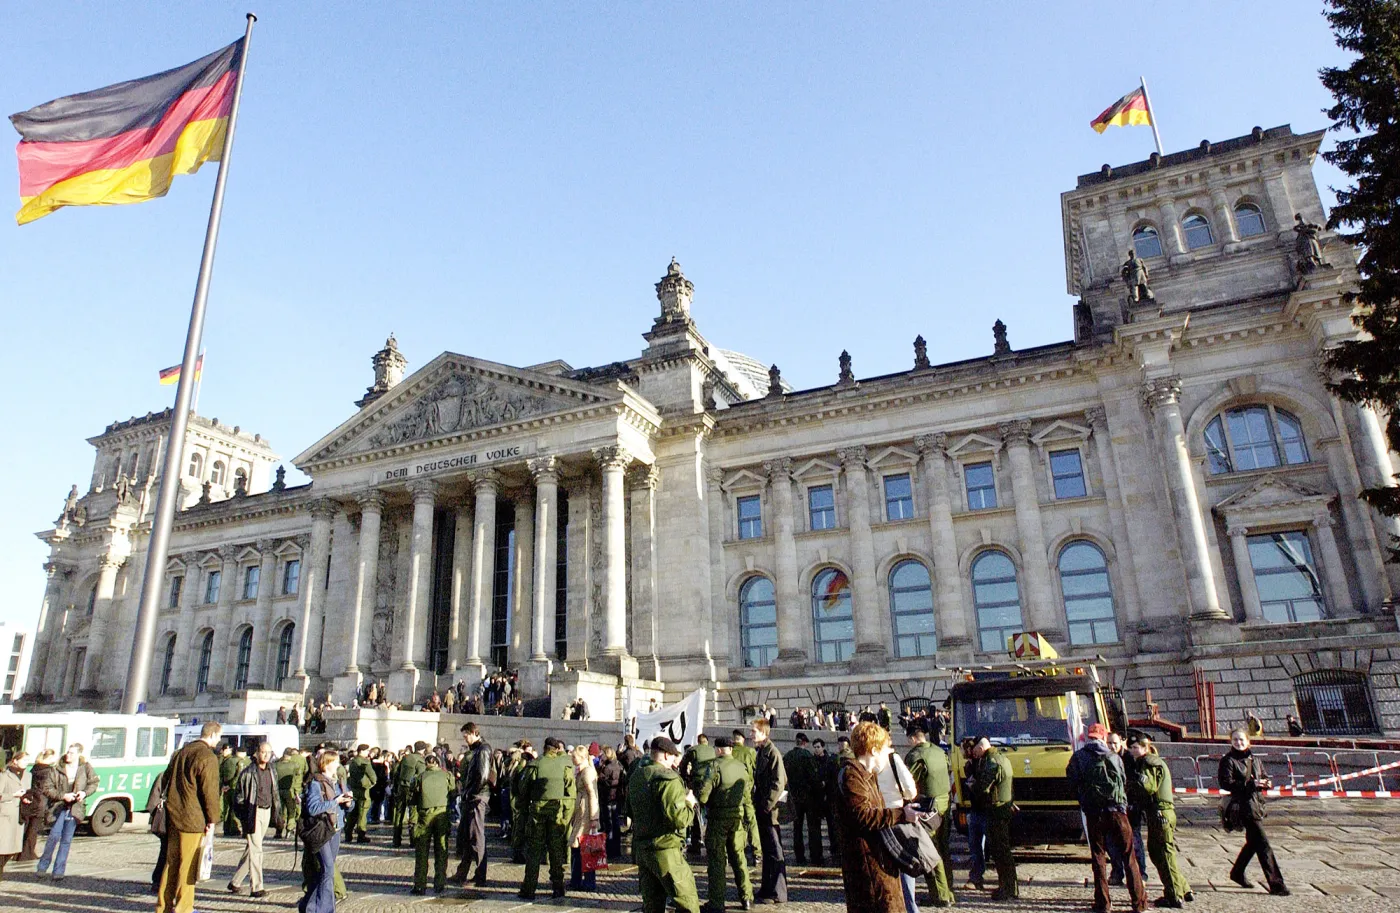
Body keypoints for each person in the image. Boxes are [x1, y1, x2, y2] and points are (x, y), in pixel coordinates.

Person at [837, 720, 923, 913]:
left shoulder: (868, 775)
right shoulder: (852, 775)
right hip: (868, 867)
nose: (889, 752)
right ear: (874, 750)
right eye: (886, 748)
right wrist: (902, 814)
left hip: (878, 860)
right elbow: (862, 816)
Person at [1067, 723, 1146, 913]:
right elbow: (1123, 781)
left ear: (1089, 737)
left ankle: (1103, 903)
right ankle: (1139, 903)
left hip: (1094, 813)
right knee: (1129, 856)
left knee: (1098, 857)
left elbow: (1071, 781)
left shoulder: (1079, 757)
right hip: (1117, 812)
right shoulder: (1114, 756)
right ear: (1103, 737)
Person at [626, 736, 702, 913]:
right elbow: (679, 819)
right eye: (674, 756)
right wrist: (689, 803)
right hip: (666, 850)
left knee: (652, 906)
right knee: (688, 903)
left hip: (643, 849)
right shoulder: (668, 779)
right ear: (667, 755)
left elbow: (629, 810)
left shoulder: (637, 776)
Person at [157, 721, 223, 913]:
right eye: (219, 737)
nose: (219, 741)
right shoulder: (207, 756)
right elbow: (209, 791)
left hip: (173, 815)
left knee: (171, 864)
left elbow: (165, 778)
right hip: (193, 818)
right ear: (212, 735)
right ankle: (184, 908)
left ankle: (163, 906)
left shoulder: (181, 752)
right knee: (188, 866)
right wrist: (212, 819)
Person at [1219, 728, 1289, 896]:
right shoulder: (1228, 760)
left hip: (1257, 804)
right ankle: (1276, 884)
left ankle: (1237, 872)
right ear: (1231, 742)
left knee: (1253, 842)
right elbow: (1225, 783)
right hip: (1242, 807)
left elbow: (1263, 776)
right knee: (1263, 844)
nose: (1238, 742)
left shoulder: (1255, 759)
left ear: (1248, 741)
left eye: (1241, 739)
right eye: (1235, 740)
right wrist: (1249, 785)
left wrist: (1266, 783)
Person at [1127, 732, 1193, 908]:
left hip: (1160, 813)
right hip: (1159, 813)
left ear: (1145, 748)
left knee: (1164, 853)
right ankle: (1183, 888)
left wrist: (1131, 786)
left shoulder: (1149, 763)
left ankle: (1174, 895)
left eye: (1135, 747)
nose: (1132, 751)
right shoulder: (1149, 761)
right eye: (1130, 748)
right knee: (1158, 852)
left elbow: (1148, 787)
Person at [697, 736, 753, 913]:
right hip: (737, 818)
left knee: (717, 861)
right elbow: (747, 795)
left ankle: (716, 902)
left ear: (719, 749)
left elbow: (703, 796)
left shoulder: (714, 766)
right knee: (739, 858)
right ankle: (746, 897)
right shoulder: (741, 767)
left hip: (718, 819)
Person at [518, 736, 576, 900]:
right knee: (556, 850)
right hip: (556, 810)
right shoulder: (564, 765)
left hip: (537, 810)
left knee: (534, 850)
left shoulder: (535, 764)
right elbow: (570, 788)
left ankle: (529, 889)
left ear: (544, 748)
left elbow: (523, 788)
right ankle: (558, 887)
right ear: (556, 750)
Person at [905, 721, 955, 907]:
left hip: (929, 807)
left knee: (929, 850)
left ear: (912, 738)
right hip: (944, 803)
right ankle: (948, 889)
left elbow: (908, 784)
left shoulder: (915, 756)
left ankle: (940, 896)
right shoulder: (938, 750)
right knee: (943, 847)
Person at [301, 749, 355, 913]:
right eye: (336, 761)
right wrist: (335, 801)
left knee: (326, 871)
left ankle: (309, 905)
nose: (338, 764)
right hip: (322, 830)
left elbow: (349, 807)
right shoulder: (316, 783)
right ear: (327, 763)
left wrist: (348, 803)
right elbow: (313, 808)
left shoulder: (339, 782)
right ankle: (322, 909)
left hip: (336, 829)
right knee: (328, 869)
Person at [228, 740, 283, 898]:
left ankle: (235, 881)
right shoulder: (248, 772)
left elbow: (275, 793)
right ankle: (257, 887)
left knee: (252, 848)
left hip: (267, 810)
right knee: (257, 849)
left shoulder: (272, 770)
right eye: (263, 752)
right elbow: (238, 797)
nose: (266, 755)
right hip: (253, 811)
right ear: (257, 753)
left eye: (268, 752)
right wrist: (244, 815)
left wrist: (278, 814)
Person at [37, 741, 96, 880]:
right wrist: (63, 796)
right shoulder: (57, 768)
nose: (68, 755)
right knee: (53, 837)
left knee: (66, 840)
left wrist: (84, 793)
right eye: (68, 752)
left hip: (75, 807)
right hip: (58, 807)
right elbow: (47, 788)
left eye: (72, 753)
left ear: (79, 754)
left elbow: (93, 783)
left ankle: (59, 871)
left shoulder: (85, 767)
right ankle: (42, 866)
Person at [968, 736, 1016, 900]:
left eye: (975, 750)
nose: (974, 754)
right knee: (1004, 851)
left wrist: (972, 786)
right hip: (1004, 808)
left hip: (996, 811)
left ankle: (1006, 889)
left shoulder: (991, 762)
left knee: (1000, 852)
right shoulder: (1003, 758)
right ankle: (1010, 887)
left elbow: (983, 787)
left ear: (981, 748)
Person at [750, 717, 788, 904]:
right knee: (767, 850)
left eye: (754, 731)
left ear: (764, 733)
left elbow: (779, 783)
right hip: (763, 809)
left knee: (775, 851)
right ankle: (767, 888)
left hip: (770, 812)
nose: (751, 734)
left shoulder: (773, 752)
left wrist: (766, 805)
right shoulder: (762, 752)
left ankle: (778, 892)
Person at [452, 721, 493, 886]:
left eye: (467, 735)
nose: (465, 738)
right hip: (474, 796)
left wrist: (470, 792)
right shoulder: (478, 750)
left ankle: (480, 875)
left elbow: (483, 775)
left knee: (477, 836)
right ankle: (463, 872)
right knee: (469, 835)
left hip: (477, 797)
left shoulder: (483, 750)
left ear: (475, 733)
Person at [409, 754, 454, 895]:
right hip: (442, 814)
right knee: (441, 849)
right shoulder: (447, 776)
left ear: (426, 763)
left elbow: (413, 798)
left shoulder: (420, 777)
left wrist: (412, 820)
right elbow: (453, 793)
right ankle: (440, 883)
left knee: (422, 851)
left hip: (425, 816)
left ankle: (420, 885)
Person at [1107, 730, 1146, 886]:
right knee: (1112, 841)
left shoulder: (1129, 758)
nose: (1112, 746)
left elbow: (1135, 781)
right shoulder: (1106, 757)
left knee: (1134, 840)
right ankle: (1117, 873)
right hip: (1113, 806)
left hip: (1130, 805)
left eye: (1115, 743)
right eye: (1109, 743)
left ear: (1121, 742)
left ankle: (1140, 874)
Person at [784, 733, 823, 867]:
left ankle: (799, 856)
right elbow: (814, 779)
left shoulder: (788, 756)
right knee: (813, 827)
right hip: (809, 797)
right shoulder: (808, 756)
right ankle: (815, 856)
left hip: (794, 797)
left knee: (797, 828)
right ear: (805, 743)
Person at [568, 744, 600, 891]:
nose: (572, 758)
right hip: (581, 812)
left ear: (581, 757)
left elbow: (593, 795)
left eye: (574, 756)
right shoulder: (581, 770)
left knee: (585, 848)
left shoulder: (587, 772)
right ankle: (577, 880)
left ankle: (587, 882)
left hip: (586, 814)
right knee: (579, 848)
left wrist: (594, 818)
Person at [680, 734, 716, 855]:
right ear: (707, 742)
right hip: (711, 785)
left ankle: (696, 842)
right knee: (711, 813)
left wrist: (686, 778)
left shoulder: (693, 750)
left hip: (697, 783)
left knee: (696, 812)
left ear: (698, 741)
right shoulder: (713, 750)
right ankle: (711, 842)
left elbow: (683, 765)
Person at [959, 738, 987, 892]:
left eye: (963, 749)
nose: (961, 752)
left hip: (983, 809)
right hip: (975, 809)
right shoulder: (969, 765)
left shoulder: (981, 764)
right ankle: (976, 877)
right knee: (975, 846)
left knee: (980, 846)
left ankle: (978, 877)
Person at [0, 751, 31, 881]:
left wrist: (26, 798)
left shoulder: (28, 775)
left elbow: (28, 791)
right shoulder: (5, 775)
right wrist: (13, 795)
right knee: (3, 847)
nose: (26, 763)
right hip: (6, 815)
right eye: (24, 760)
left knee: (14, 848)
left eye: (27, 760)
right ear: (15, 761)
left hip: (20, 815)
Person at [730, 729, 760, 861]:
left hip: (731, 793)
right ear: (743, 739)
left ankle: (738, 849)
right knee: (751, 820)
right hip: (747, 792)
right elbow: (756, 770)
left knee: (737, 821)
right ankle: (757, 851)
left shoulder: (729, 752)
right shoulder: (749, 752)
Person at [20, 749, 55, 862]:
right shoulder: (49, 771)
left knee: (27, 827)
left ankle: (20, 852)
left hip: (31, 799)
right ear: (49, 758)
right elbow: (47, 788)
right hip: (41, 801)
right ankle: (27, 854)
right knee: (33, 829)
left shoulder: (34, 768)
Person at [392, 742, 427, 847]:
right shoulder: (420, 760)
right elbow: (421, 776)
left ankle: (396, 839)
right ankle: (413, 840)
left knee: (399, 814)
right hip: (412, 790)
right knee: (413, 814)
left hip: (401, 787)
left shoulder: (405, 758)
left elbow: (396, 772)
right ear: (423, 750)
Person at [812, 738, 842, 859]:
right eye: (815, 747)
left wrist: (826, 783)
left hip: (829, 797)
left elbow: (834, 778)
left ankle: (834, 848)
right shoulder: (812, 761)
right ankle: (817, 853)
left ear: (823, 747)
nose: (816, 749)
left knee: (832, 825)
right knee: (816, 826)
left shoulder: (830, 761)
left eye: (818, 747)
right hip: (817, 798)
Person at [597, 745, 625, 859]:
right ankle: (616, 849)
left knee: (608, 824)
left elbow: (601, 781)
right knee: (616, 823)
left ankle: (610, 849)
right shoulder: (619, 765)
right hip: (616, 798)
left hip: (607, 798)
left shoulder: (607, 768)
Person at [344, 744, 376, 844]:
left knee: (352, 813)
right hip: (363, 789)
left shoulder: (352, 761)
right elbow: (373, 776)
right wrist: (371, 783)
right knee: (363, 813)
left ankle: (348, 833)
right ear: (362, 751)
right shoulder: (365, 762)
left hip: (354, 789)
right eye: (367, 751)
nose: (368, 753)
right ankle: (361, 835)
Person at [275, 746, 306, 840]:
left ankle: (279, 831)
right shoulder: (294, 765)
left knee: (281, 812)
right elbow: (299, 776)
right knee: (291, 811)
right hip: (290, 791)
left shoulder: (276, 765)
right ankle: (290, 829)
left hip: (278, 791)